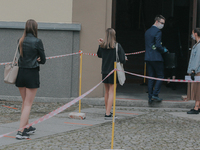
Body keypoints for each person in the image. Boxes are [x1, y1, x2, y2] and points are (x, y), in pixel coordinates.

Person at [15, 19, 46, 139]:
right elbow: (43, 59)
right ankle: (21, 131)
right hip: (32, 73)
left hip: (21, 73)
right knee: (28, 104)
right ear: (35, 28)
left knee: (25, 102)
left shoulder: (20, 40)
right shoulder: (37, 41)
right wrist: (38, 59)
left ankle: (27, 127)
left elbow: (22, 56)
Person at [97, 28, 126, 120]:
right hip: (114, 71)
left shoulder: (102, 46)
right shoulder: (117, 46)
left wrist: (100, 44)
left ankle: (107, 110)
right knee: (112, 92)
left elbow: (99, 55)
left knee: (107, 92)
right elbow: (122, 59)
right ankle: (108, 113)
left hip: (105, 70)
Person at [144, 15, 168, 104]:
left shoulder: (147, 31)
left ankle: (150, 97)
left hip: (148, 57)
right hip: (156, 57)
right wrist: (164, 50)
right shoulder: (158, 31)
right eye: (162, 23)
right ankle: (155, 94)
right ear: (157, 22)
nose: (163, 25)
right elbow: (158, 45)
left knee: (150, 77)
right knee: (160, 75)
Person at [187, 28, 200, 114]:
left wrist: (193, 70)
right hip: (198, 70)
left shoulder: (198, 46)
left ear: (195, 34)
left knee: (197, 89)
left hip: (198, 71)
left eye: (192, 33)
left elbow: (197, 59)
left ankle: (196, 107)